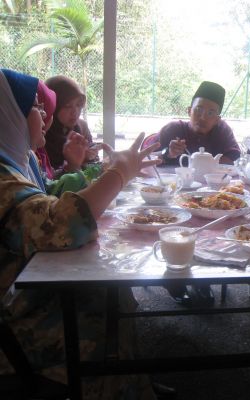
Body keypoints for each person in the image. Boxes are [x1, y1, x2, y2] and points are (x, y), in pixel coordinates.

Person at [0, 68, 160, 399]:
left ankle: (129, 381)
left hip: (26, 282)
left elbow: (49, 198)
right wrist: (119, 172)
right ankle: (103, 385)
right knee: (103, 305)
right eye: (35, 107)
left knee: (114, 291)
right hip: (13, 318)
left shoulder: (18, 161)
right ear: (8, 114)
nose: (44, 114)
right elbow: (64, 226)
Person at [157, 81, 240, 165]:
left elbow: (232, 159)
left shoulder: (222, 131)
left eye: (210, 113)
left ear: (217, 120)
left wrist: (202, 165)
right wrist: (168, 153)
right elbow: (150, 155)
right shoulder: (173, 129)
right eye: (198, 110)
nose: (203, 118)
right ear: (189, 111)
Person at [44, 75, 99, 170]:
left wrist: (90, 155)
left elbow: (93, 166)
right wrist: (75, 161)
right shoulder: (42, 134)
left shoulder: (81, 126)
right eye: (67, 106)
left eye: (78, 105)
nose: (75, 112)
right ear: (54, 107)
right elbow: (47, 175)